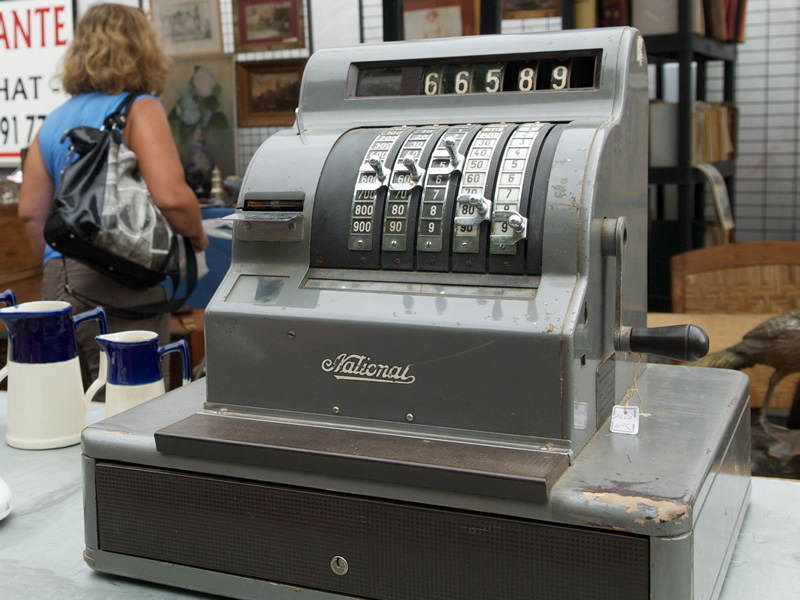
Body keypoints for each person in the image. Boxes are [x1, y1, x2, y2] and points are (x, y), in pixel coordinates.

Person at [18, 4, 209, 393]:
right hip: (121, 280)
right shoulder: (140, 108)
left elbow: (31, 213)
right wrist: (198, 237)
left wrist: (62, 264)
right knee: (132, 406)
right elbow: (172, 199)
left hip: (58, 284)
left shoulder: (55, 118)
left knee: (71, 404)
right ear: (142, 49)